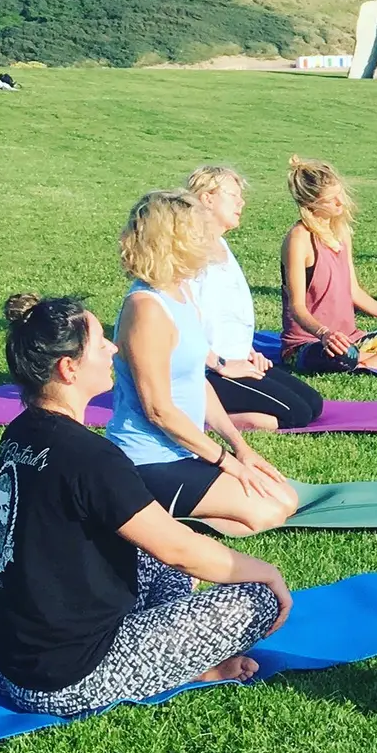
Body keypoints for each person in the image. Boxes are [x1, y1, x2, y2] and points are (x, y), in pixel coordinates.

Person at [0, 293, 291, 718]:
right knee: (258, 599)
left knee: (159, 553)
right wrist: (267, 573)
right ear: (68, 368)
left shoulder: (20, 432)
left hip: (4, 662)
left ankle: (174, 661)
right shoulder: (90, 457)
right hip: (65, 678)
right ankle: (176, 667)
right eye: (100, 344)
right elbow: (179, 551)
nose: (113, 348)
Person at [107, 189, 299, 534]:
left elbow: (198, 381)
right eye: (198, 231)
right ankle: (147, 522)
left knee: (286, 500)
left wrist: (240, 448)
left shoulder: (181, 293)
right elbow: (158, 410)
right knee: (265, 514)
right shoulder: (146, 309)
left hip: (186, 451)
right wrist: (226, 462)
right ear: (176, 241)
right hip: (146, 460)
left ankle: (169, 518)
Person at [183, 165, 324, 431]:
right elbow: (181, 320)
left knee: (313, 404)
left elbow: (224, 313)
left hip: (235, 359)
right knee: (296, 414)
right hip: (206, 370)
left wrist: (246, 350)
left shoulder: (220, 244)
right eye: (233, 195)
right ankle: (200, 419)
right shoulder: (190, 251)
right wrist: (221, 364)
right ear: (207, 198)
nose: (241, 202)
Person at [280, 157, 377, 373]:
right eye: (331, 199)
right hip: (310, 344)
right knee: (340, 354)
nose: (340, 202)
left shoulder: (341, 232)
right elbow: (296, 307)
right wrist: (325, 334)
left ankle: (367, 363)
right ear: (310, 203)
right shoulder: (299, 239)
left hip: (352, 339)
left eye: (340, 194)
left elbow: (353, 291)